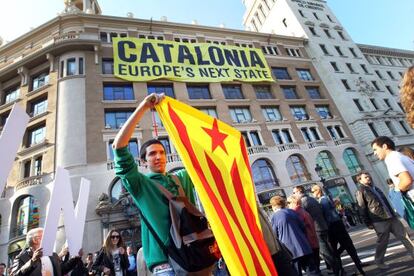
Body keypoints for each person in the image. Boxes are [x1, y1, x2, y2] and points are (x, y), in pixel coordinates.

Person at [112, 93, 196, 275]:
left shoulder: (182, 177)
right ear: (143, 162)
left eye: (161, 152)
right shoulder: (140, 184)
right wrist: (143, 107)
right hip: (166, 266)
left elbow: (200, 155)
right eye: (151, 154)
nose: (158, 156)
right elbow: (118, 146)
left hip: (196, 258)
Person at [355, 171, 414, 269]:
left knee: (404, 235)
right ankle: (379, 261)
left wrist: (393, 213)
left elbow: (385, 202)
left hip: (391, 217)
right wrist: (368, 222)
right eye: (365, 177)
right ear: (360, 180)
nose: (368, 178)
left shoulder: (376, 188)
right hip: (379, 220)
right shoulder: (360, 191)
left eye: (369, 176)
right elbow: (362, 208)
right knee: (383, 242)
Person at [311, 185, 365, 275]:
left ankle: (341, 270)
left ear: (317, 191)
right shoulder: (326, 198)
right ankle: (359, 267)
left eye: (313, 191)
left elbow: (327, 215)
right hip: (338, 224)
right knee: (348, 246)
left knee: (335, 250)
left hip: (332, 226)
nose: (312, 193)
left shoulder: (322, 200)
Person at [292, 186, 344, 276]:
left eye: (294, 192)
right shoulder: (312, 199)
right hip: (323, 227)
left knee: (325, 253)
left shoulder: (303, 202)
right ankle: (339, 269)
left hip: (316, 230)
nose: (294, 194)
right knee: (329, 251)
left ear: (299, 192)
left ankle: (338, 270)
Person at [270, 196, 320, 276]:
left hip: (290, 251)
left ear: (273, 206)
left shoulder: (274, 217)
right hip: (304, 246)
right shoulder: (292, 212)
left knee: (296, 273)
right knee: (313, 271)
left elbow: (274, 235)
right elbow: (303, 227)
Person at [10, 227, 81, 276]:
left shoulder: (53, 255)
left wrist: (76, 258)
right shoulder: (21, 258)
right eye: (45, 236)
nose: (49, 239)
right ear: (35, 240)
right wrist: (33, 261)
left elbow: (61, 270)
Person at [286, 195, 319, 273]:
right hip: (313, 241)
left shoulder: (297, 213)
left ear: (295, 202)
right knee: (314, 268)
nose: (287, 205)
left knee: (312, 270)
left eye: (289, 203)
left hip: (308, 242)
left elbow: (300, 228)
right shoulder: (303, 211)